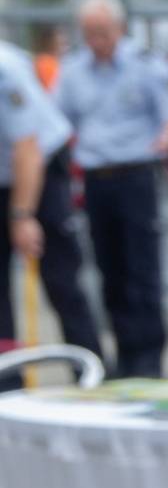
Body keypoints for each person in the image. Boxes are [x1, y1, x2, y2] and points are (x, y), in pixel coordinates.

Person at [55, 0, 168, 378]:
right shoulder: (74, 71)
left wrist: (165, 137)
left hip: (136, 176)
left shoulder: (144, 65)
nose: (97, 41)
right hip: (97, 182)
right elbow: (58, 121)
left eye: (103, 32)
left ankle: (148, 356)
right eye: (89, 33)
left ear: (119, 29)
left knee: (142, 269)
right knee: (109, 269)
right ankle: (124, 352)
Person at [0, 37, 103, 390]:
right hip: (4, 173)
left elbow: (28, 150)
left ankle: (91, 378)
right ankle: (8, 388)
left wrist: (22, 215)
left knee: (61, 281)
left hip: (40, 170)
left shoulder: (5, 68)